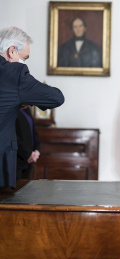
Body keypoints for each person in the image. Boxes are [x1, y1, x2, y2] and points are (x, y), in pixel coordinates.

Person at [0, 26, 65, 188]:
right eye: (25, 58)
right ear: (12, 51)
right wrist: (24, 98)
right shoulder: (14, 73)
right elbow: (56, 98)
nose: (24, 63)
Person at [16, 107, 40, 180]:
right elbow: (13, 136)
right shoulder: (11, 109)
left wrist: (37, 150)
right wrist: (28, 153)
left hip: (29, 159)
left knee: (25, 188)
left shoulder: (27, 109)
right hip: (17, 159)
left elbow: (33, 131)